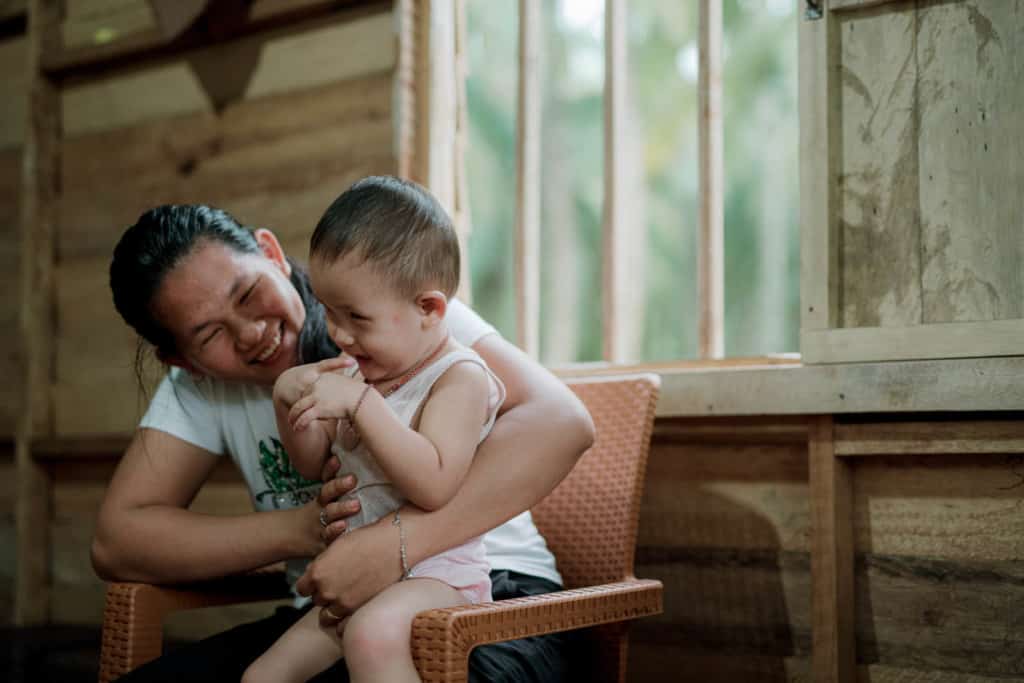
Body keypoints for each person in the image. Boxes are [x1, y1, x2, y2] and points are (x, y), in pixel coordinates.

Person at [95, 198, 594, 682]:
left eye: (248, 294)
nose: (249, 332)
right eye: (208, 336)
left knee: (372, 644)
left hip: (487, 591)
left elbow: (563, 421)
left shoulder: (398, 316)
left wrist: (392, 546)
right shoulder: (213, 385)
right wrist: (304, 529)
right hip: (335, 601)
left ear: (271, 254)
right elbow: (117, 541)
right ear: (182, 360)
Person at [243, 176, 506, 682]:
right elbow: (314, 464)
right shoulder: (361, 369)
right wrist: (286, 401)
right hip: (361, 582)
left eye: (357, 318)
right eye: (328, 311)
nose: (338, 334)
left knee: (370, 636)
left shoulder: (459, 377)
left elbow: (434, 483)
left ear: (428, 309)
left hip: (439, 577)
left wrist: (363, 403)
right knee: (262, 677)